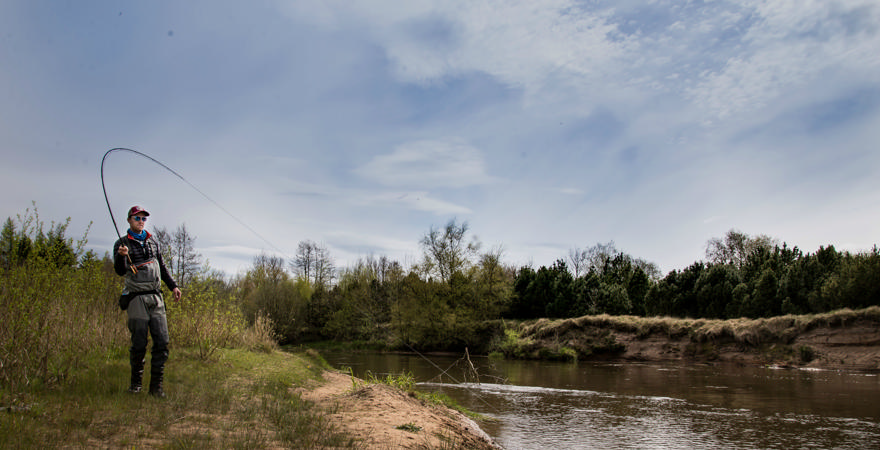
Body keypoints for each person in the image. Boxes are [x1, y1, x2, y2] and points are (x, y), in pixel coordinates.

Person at [113, 205, 182, 398]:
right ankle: (136, 385)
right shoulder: (121, 243)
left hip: (156, 296)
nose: (141, 221)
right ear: (129, 220)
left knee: (162, 341)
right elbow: (119, 271)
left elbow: (162, 266)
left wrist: (173, 286)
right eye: (137, 218)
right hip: (136, 298)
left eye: (143, 218)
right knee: (139, 342)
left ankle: (156, 388)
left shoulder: (153, 243)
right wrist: (121, 256)